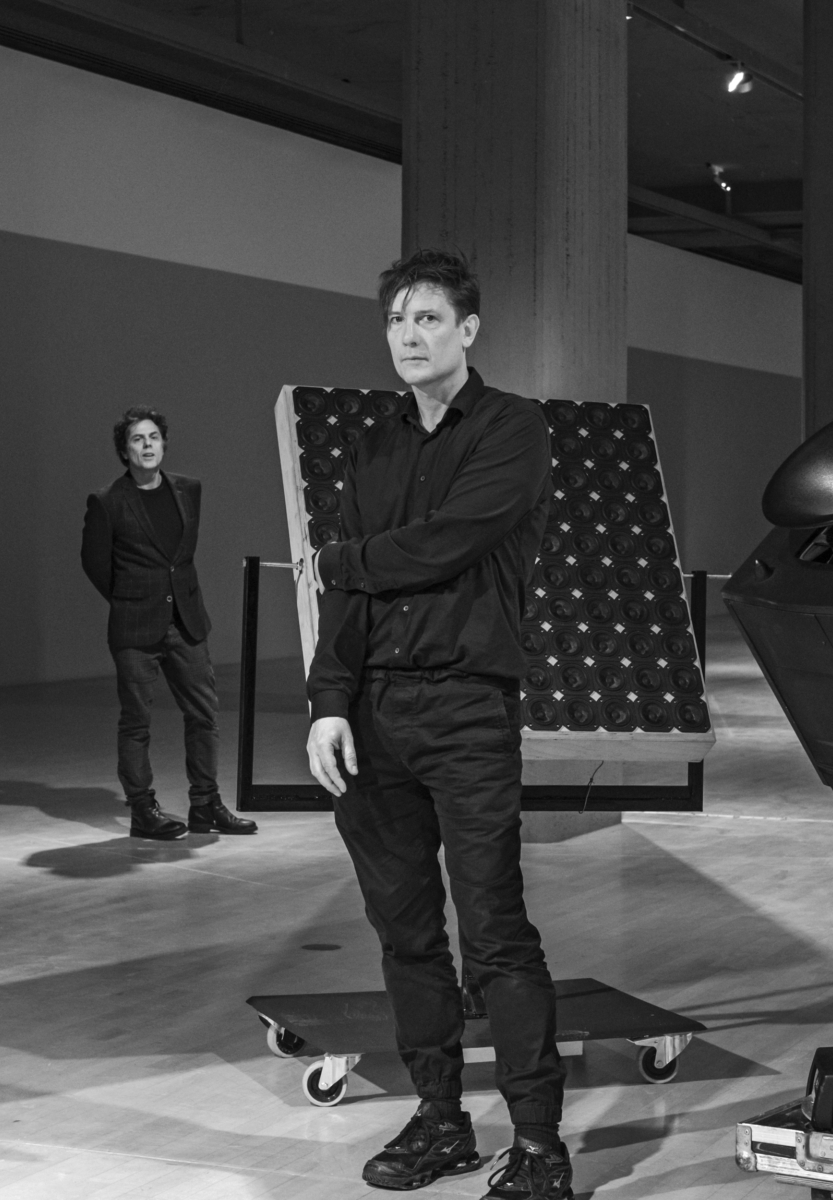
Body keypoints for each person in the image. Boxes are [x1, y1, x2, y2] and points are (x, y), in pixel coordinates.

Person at [305, 249, 569, 1199]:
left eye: (427, 319)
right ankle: (441, 1120)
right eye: (396, 321)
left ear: (468, 329)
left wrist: (342, 559)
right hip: (374, 714)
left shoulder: (513, 428)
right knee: (405, 932)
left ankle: (538, 1145)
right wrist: (328, 703)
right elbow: (352, 599)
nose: (409, 337)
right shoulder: (373, 448)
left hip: (467, 709)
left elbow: (447, 543)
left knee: (494, 931)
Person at [81, 406, 256, 840]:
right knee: (136, 721)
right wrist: (131, 599)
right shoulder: (107, 501)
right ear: (125, 450)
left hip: (186, 621)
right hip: (135, 627)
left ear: (164, 444)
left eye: (153, 437)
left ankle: (206, 805)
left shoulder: (188, 490)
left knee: (204, 714)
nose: (147, 445)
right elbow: (95, 563)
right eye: (137, 439)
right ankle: (143, 810)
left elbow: (180, 557)